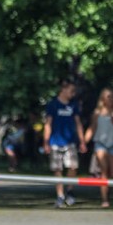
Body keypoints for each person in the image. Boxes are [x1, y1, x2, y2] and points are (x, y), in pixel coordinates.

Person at [43, 80, 86, 208]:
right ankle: (60, 195)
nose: (73, 94)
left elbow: (78, 124)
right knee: (57, 169)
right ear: (63, 90)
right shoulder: (53, 105)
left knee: (73, 166)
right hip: (55, 142)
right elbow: (48, 124)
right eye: (71, 91)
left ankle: (70, 189)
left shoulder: (73, 105)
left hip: (70, 142)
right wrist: (46, 142)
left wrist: (82, 141)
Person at [84, 88, 113, 208]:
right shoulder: (97, 112)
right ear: (102, 99)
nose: (109, 99)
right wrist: (84, 142)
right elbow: (92, 128)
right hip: (100, 143)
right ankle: (104, 199)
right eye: (107, 96)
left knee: (112, 173)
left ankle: (108, 192)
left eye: (111, 96)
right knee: (104, 171)